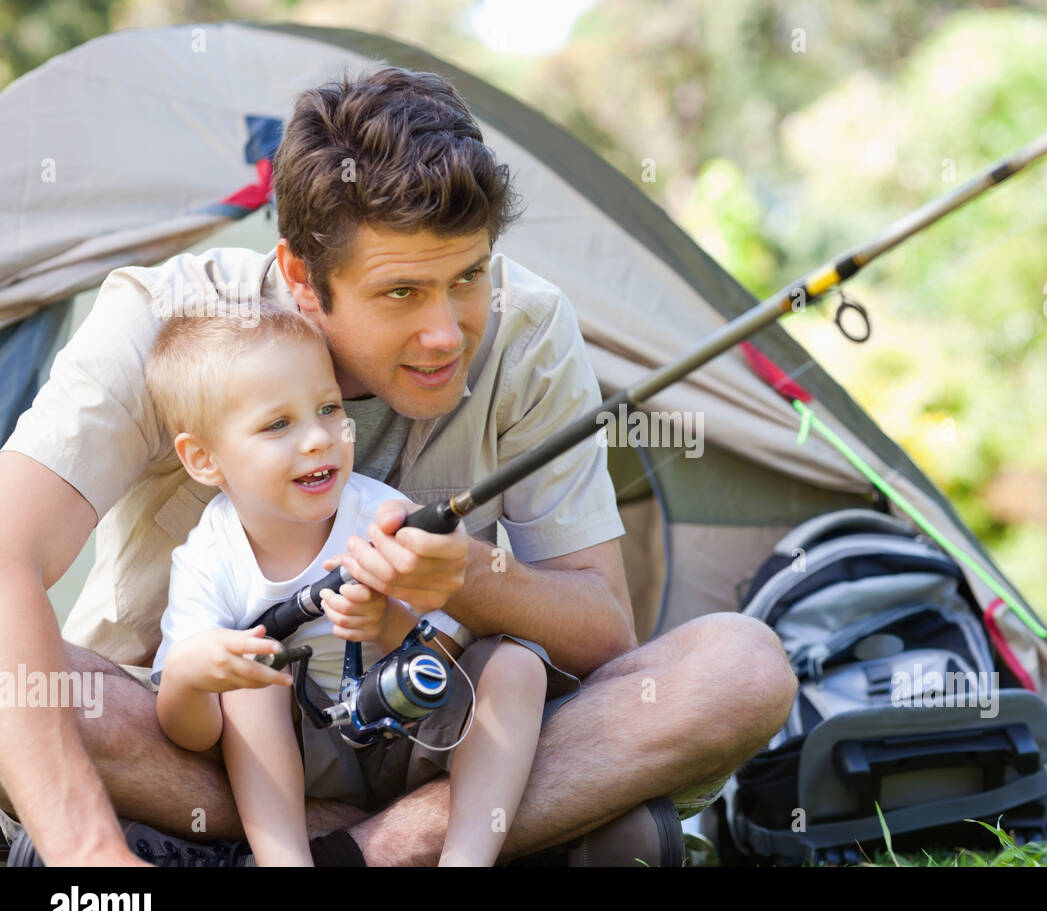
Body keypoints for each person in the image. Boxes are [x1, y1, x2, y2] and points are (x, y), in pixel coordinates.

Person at [0, 66, 797, 867]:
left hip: (435, 736)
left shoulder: (530, 330)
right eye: (401, 293)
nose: (447, 332)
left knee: (742, 668)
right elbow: (6, 553)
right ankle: (507, 839)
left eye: (468, 278)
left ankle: (334, 854)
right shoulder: (162, 322)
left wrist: (474, 580)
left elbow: (604, 636)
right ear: (305, 279)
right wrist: (88, 853)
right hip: (192, 740)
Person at [146, 305, 554, 867]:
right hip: (306, 764)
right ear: (203, 458)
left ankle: (467, 858)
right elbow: (189, 735)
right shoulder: (207, 558)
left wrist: (389, 625)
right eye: (277, 424)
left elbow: (452, 650)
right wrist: (191, 679)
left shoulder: (382, 514)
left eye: (328, 408)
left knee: (518, 664)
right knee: (253, 679)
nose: (318, 438)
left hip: (414, 738)